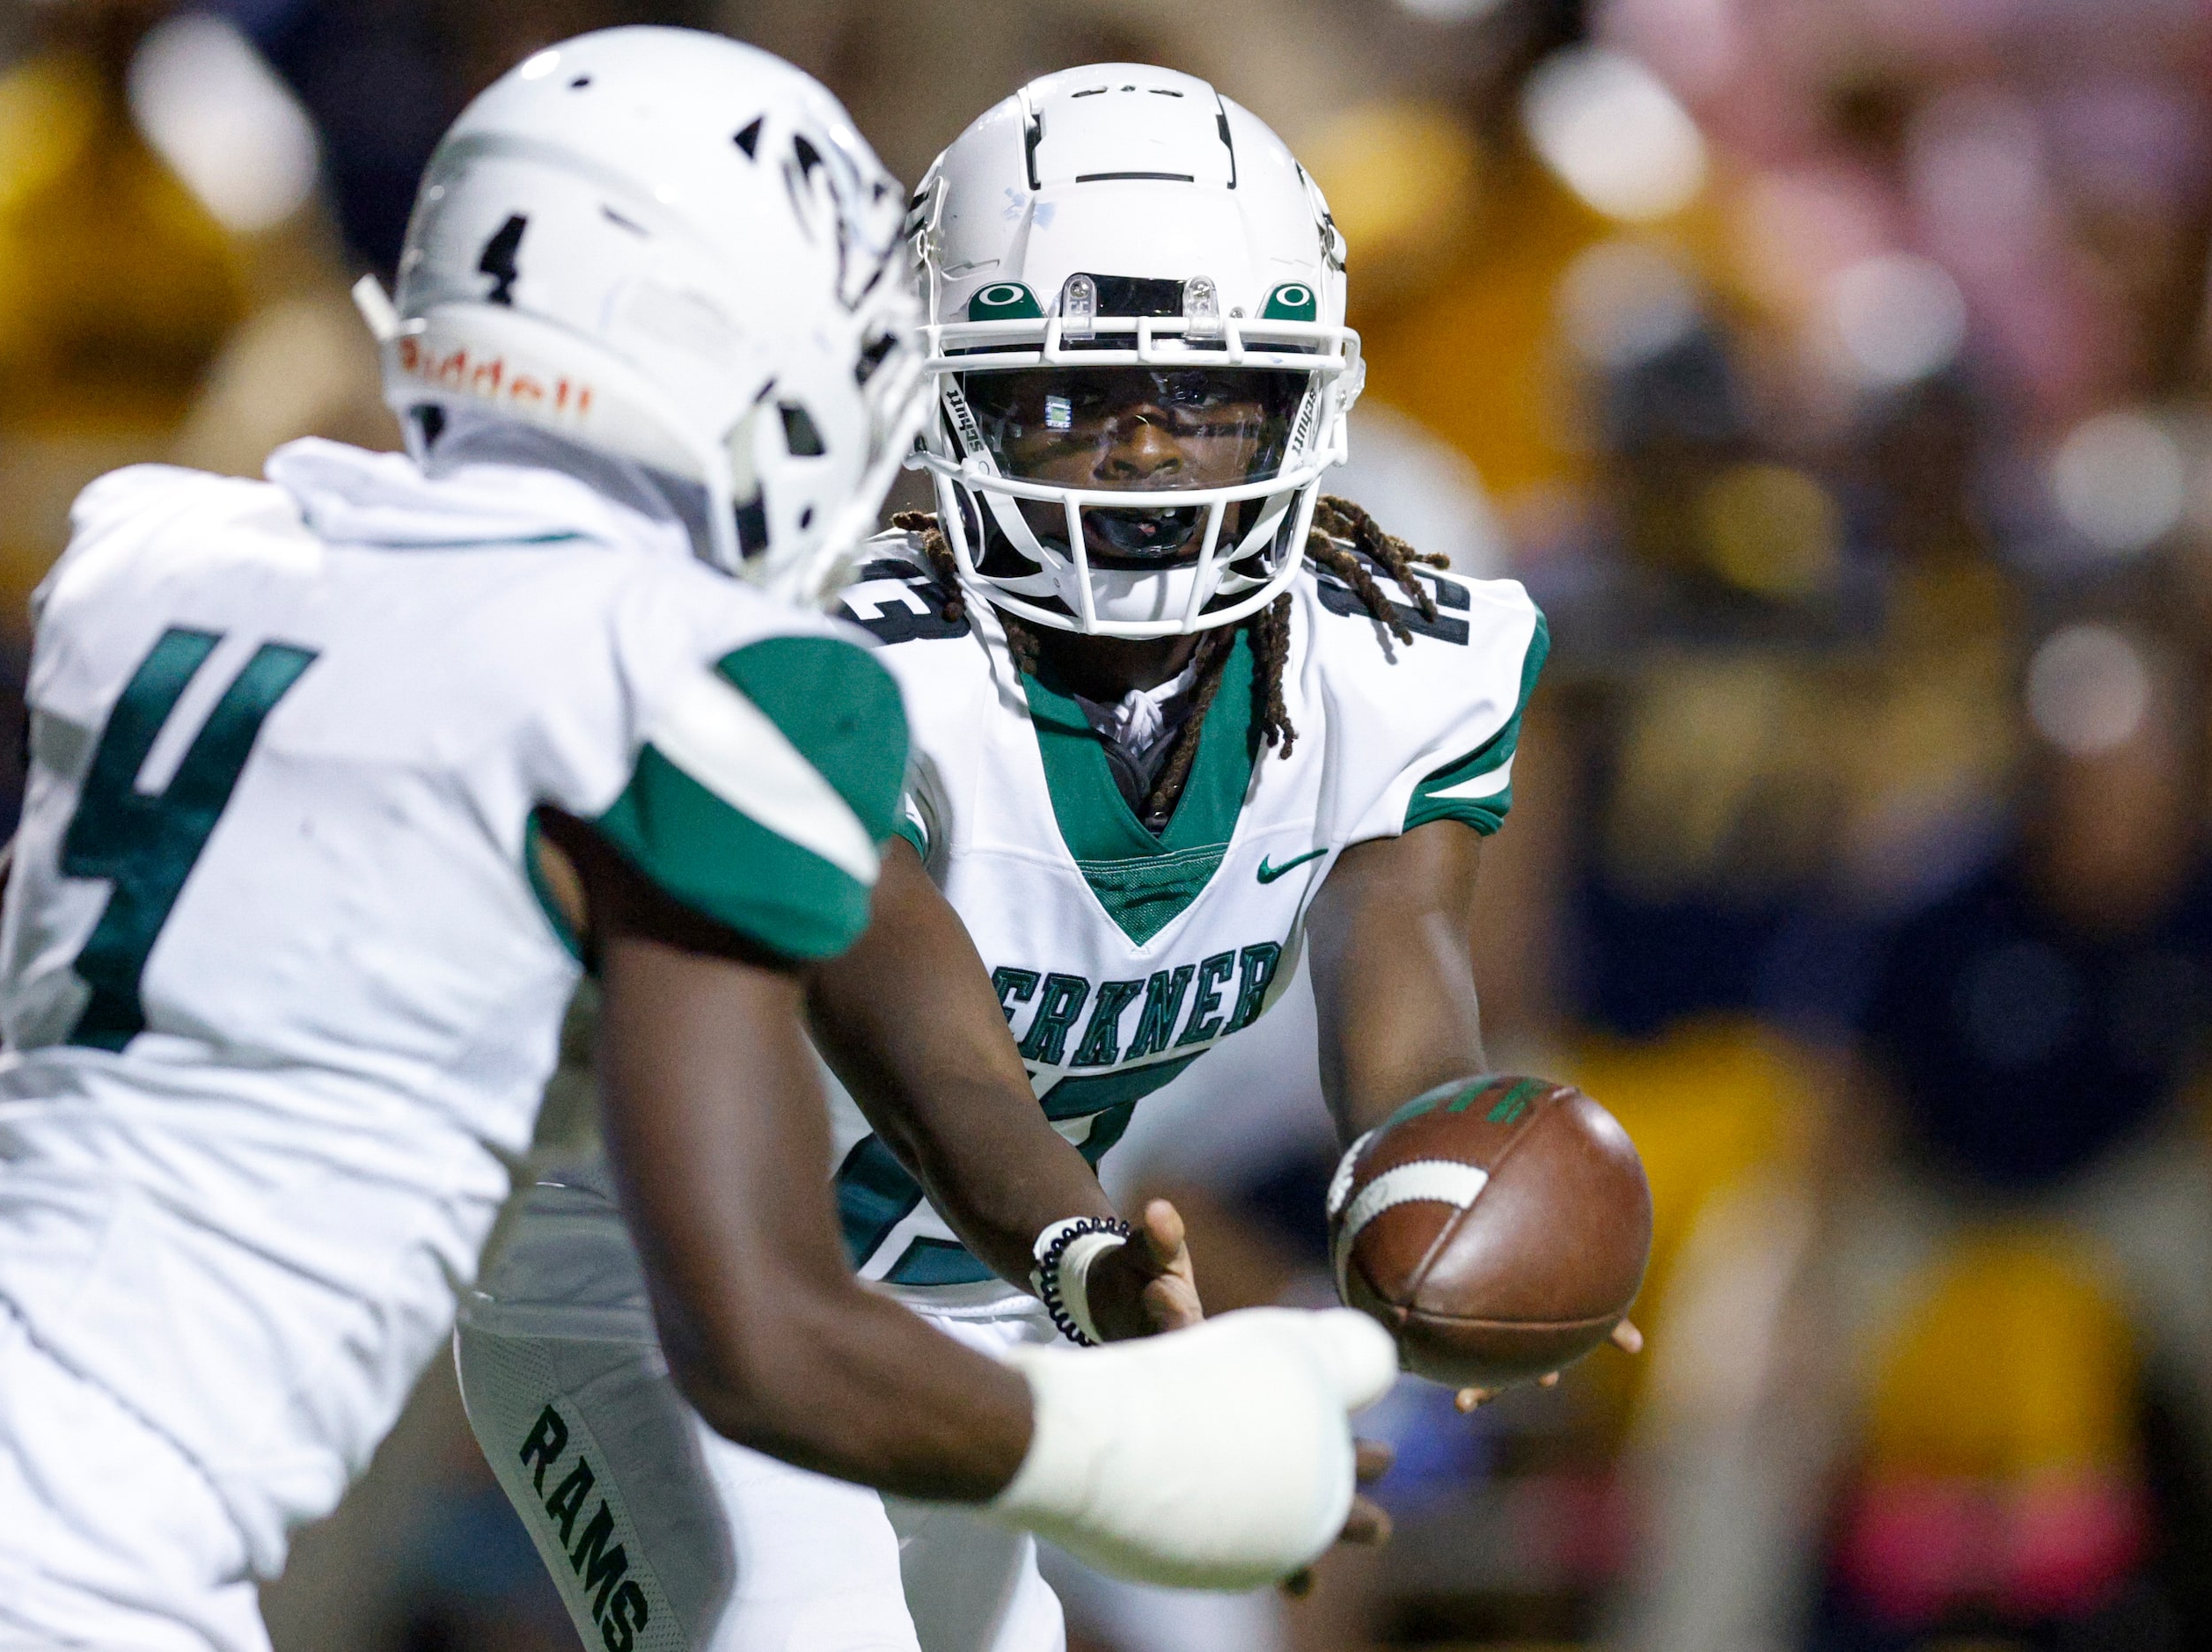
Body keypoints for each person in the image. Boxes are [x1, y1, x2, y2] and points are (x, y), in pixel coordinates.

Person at [0, 33, 1393, 1652]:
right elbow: (762, 1341)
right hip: (65, 1538)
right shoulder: (690, 682)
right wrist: (1168, 1458)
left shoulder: (219, 554)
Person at [460, 62, 1625, 1652]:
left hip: (991, 1308)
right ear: (951, 396)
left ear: (1305, 400)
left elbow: (1404, 1003)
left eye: (1204, 397)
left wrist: (1452, 1210)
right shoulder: (847, 663)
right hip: (669, 1266)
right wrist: (1093, 1270)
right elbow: (943, 1076)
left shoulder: (1394, 663)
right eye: (1070, 398)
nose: (1143, 455)